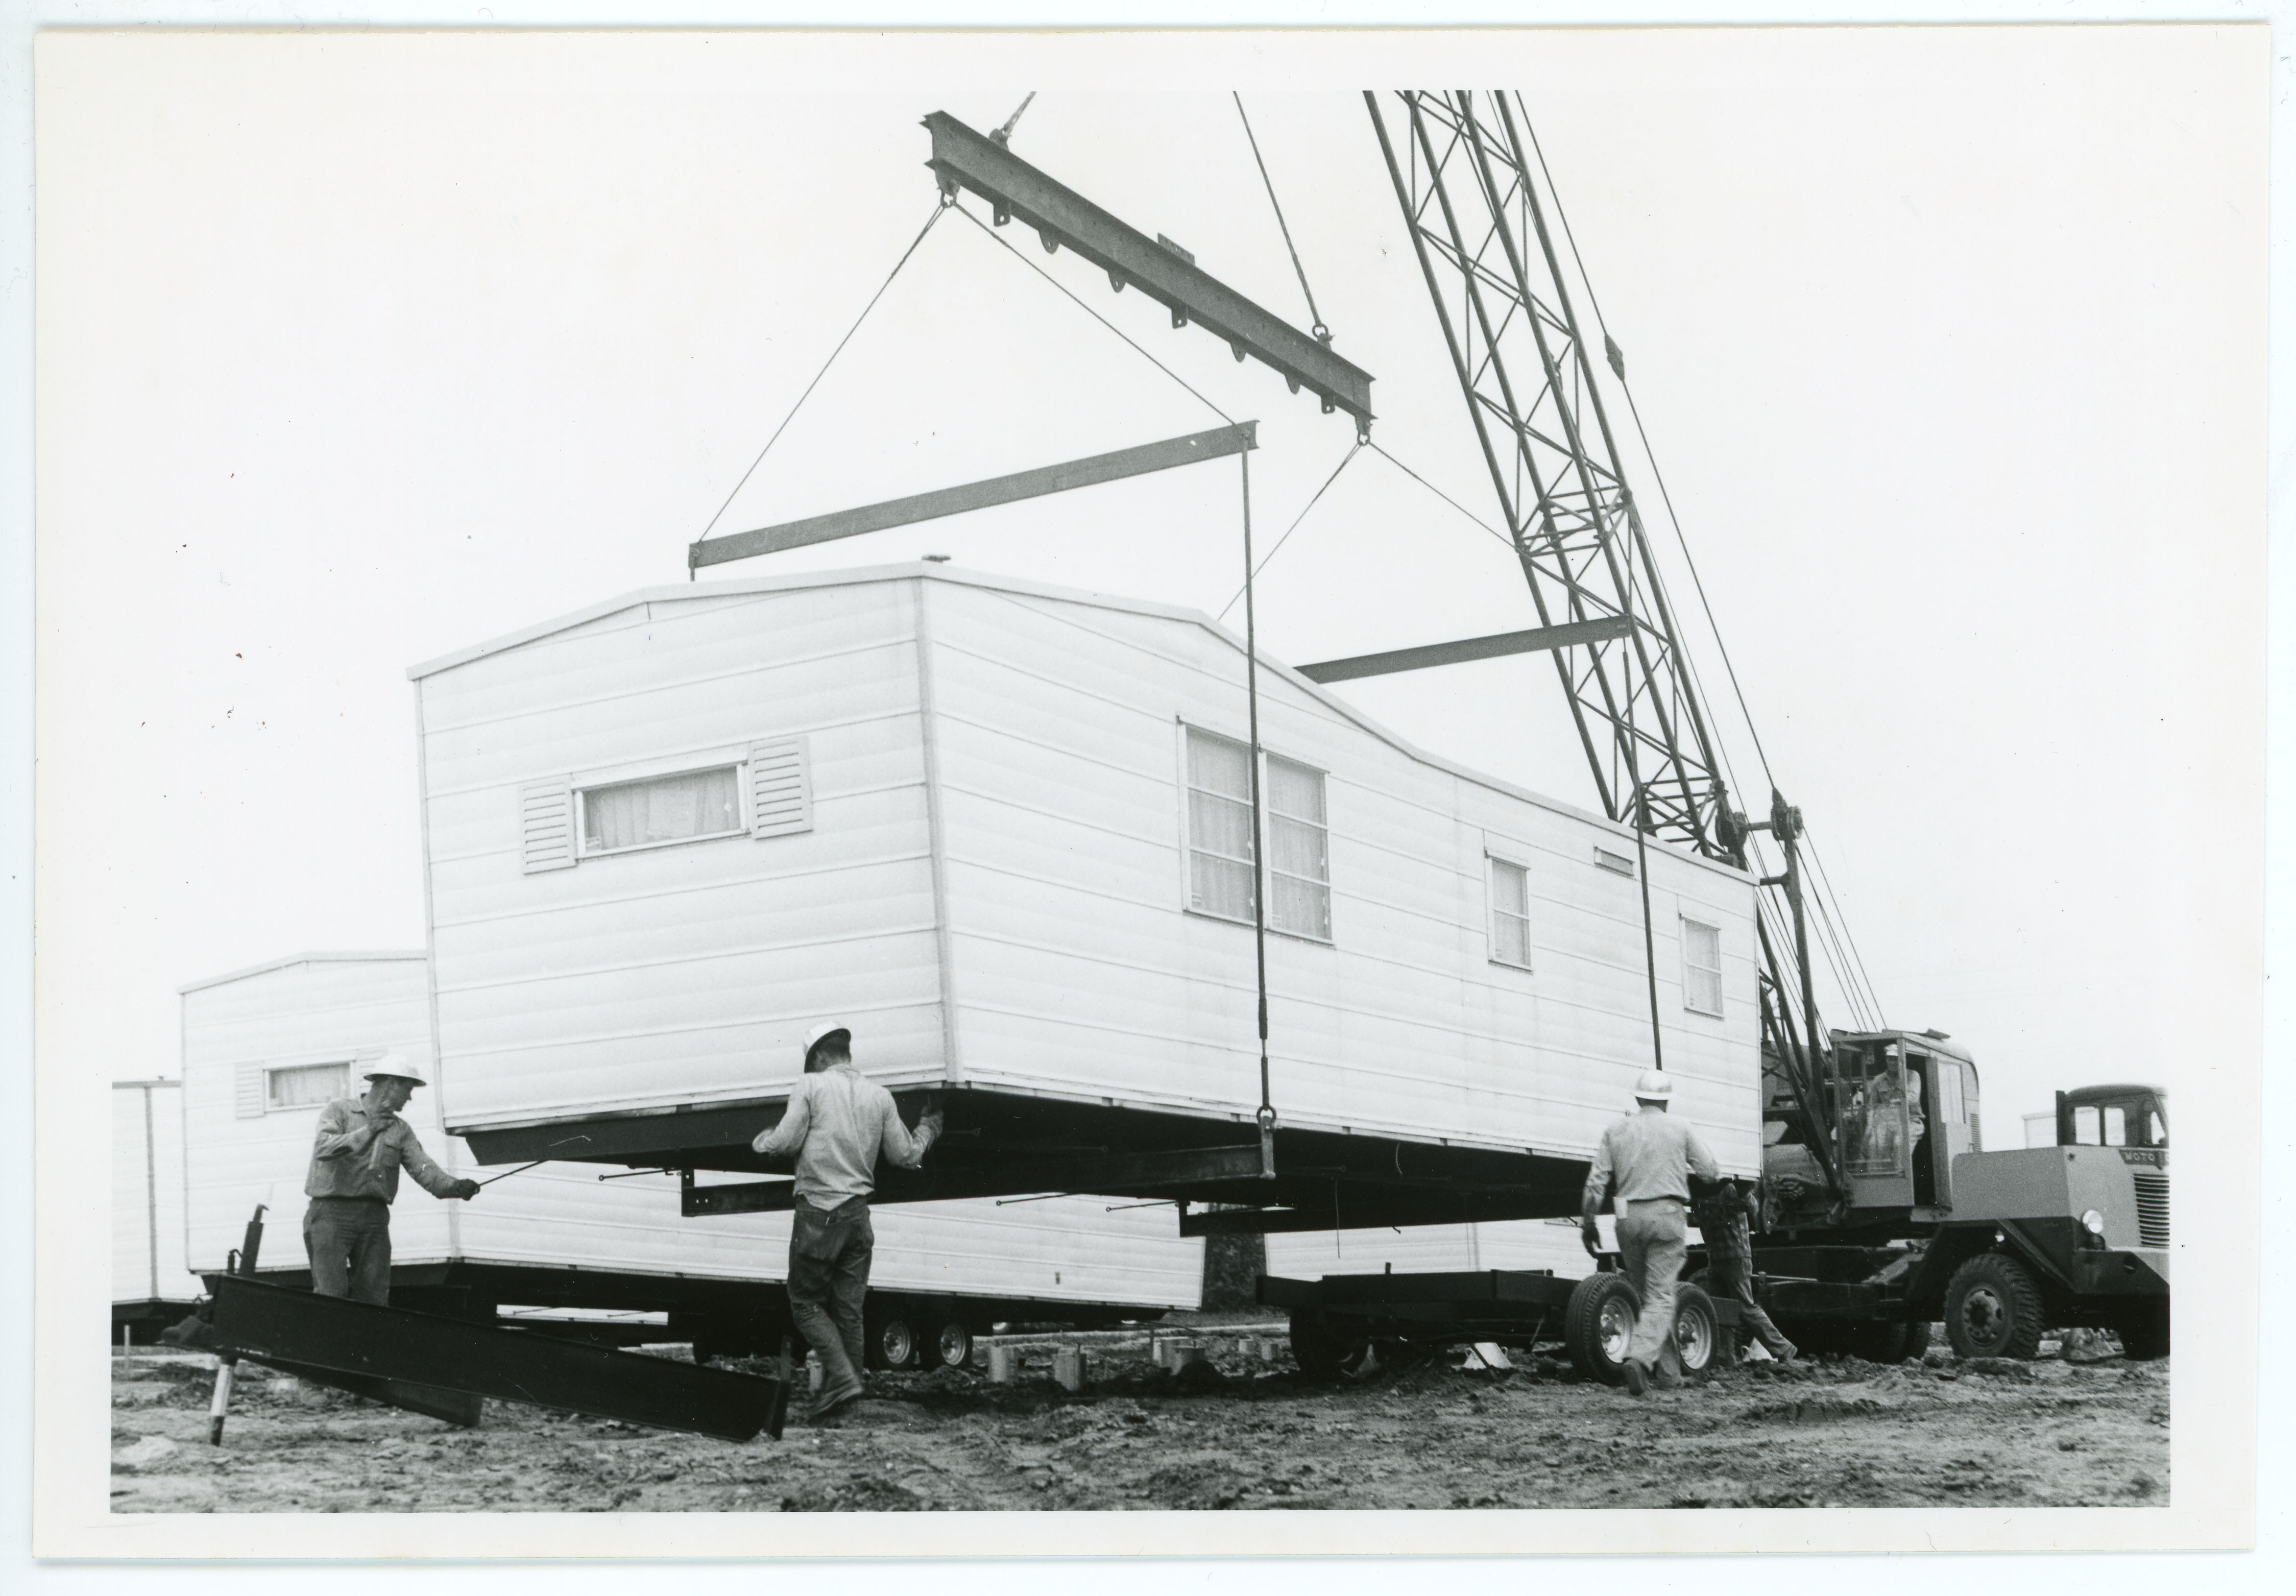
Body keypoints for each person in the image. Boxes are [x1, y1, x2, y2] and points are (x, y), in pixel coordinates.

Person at [753, 1022, 943, 1422]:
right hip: (858, 1217)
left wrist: (764, 1140)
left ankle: (840, 1380)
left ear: (818, 1058)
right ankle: (850, 1400)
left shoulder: (810, 1086)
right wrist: (928, 1129)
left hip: (819, 1214)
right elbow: (906, 1155)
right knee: (849, 1311)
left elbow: (786, 1142)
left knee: (805, 1304)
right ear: (846, 1053)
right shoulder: (880, 1096)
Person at [1581, 1069, 1721, 1396]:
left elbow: (1595, 1183)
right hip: (1666, 1215)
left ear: (1637, 1098)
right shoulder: (1680, 1128)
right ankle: (1640, 1359)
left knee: (1650, 1299)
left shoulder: (1615, 1130)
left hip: (1627, 1217)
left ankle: (1670, 1375)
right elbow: (1711, 1172)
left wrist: (1588, 1224)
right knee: (1661, 1297)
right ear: (1667, 1102)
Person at [303, 1052, 480, 1305]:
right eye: (407, 1089)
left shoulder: (401, 1130)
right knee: (332, 1294)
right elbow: (324, 1148)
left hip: (374, 1219)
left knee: (375, 1296)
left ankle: (367, 1345)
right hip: (331, 1213)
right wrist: (369, 1131)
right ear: (389, 1083)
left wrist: (455, 1187)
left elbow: (423, 1168)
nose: (409, 1097)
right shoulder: (339, 1111)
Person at [1689, 1175, 1797, 1365]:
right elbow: (1751, 1206)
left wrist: (1740, 1192)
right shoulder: (1722, 1193)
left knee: (1744, 1308)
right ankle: (1726, 1355)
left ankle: (1783, 1348)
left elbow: (1751, 1207)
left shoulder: (1720, 1193)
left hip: (1732, 1257)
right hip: (1721, 1257)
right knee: (1725, 1308)